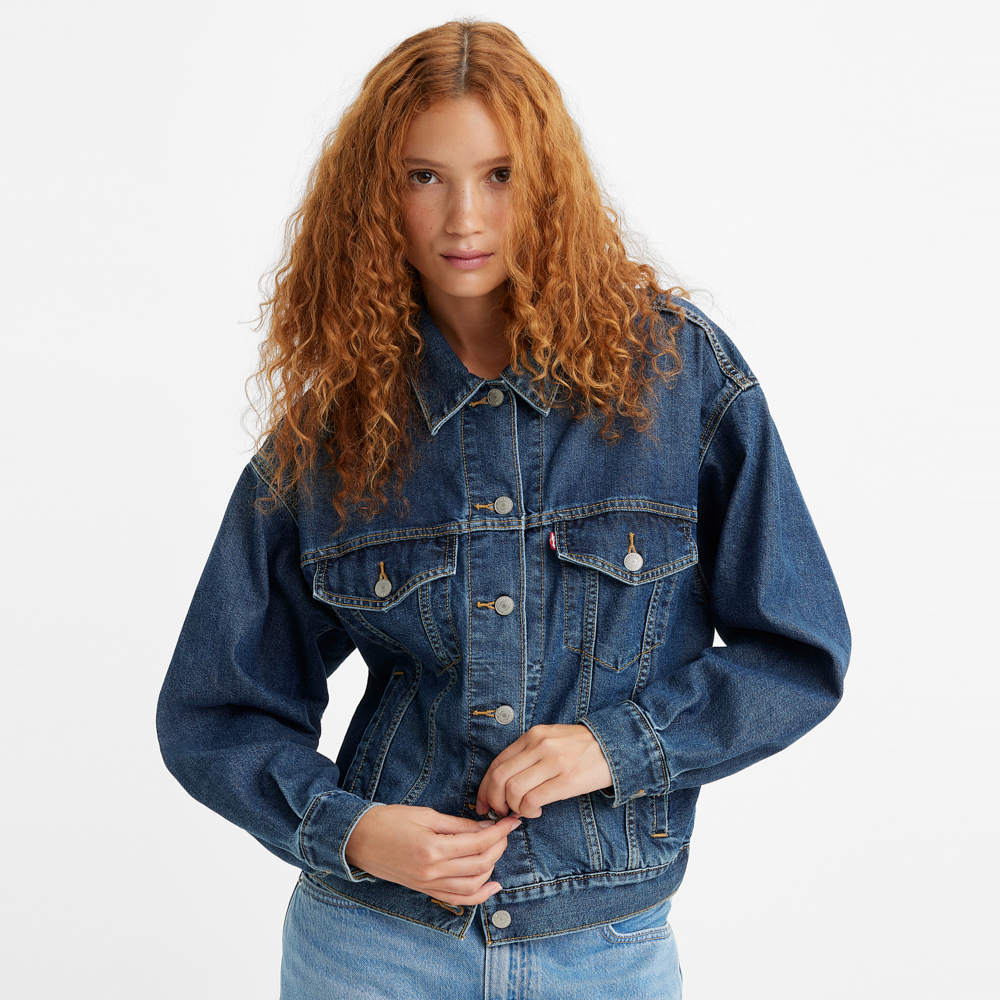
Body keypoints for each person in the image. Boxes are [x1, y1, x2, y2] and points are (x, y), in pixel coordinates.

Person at [156, 19, 850, 999]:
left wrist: (614, 746)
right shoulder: (335, 431)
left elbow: (799, 651)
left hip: (605, 953)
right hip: (372, 948)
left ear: (548, 184)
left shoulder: (676, 378)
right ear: (376, 197)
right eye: (423, 177)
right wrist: (353, 830)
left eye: (499, 175)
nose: (463, 219)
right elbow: (216, 710)